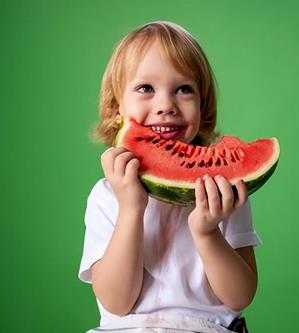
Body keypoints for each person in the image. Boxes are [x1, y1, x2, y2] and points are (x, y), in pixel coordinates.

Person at [78, 20, 262, 333]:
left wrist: (207, 232)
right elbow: (116, 302)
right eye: (145, 88)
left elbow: (240, 295)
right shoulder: (107, 195)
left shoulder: (223, 192)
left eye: (184, 89)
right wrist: (131, 208)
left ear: (203, 107)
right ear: (116, 107)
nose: (166, 105)